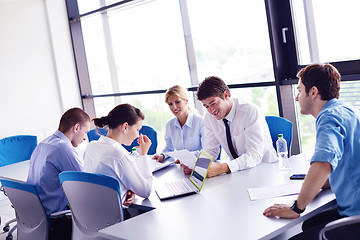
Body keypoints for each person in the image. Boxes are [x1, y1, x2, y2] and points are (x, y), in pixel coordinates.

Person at [263, 63, 360, 239]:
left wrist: (296, 207)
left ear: (313, 92)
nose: (296, 97)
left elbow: (323, 163)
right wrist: (315, 184)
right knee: (309, 224)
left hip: (356, 218)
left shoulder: (329, 117)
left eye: (299, 90)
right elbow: (346, 162)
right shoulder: (349, 110)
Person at [191, 76, 277, 178]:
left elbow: (254, 155)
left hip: (264, 170)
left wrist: (221, 168)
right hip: (238, 172)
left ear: (225, 95)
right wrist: (198, 167)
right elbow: (211, 149)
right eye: (206, 106)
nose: (211, 110)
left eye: (213, 103)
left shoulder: (250, 111)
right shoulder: (210, 118)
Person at [27, 107, 91, 240]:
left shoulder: (44, 143)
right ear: (76, 128)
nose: (85, 138)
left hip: (37, 215)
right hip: (58, 220)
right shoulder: (62, 147)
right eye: (85, 132)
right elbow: (86, 185)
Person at [84, 103, 153, 218]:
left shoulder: (92, 146)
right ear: (125, 127)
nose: (138, 135)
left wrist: (129, 189)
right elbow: (146, 191)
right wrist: (144, 154)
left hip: (93, 217)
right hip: (115, 219)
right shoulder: (117, 154)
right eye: (137, 130)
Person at [152, 85, 205, 162]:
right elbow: (169, 147)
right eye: (170, 104)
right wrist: (162, 155)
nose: (174, 107)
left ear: (186, 101)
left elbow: (206, 152)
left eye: (177, 102)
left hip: (200, 165)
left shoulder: (200, 122)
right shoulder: (170, 125)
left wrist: (185, 158)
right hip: (182, 167)